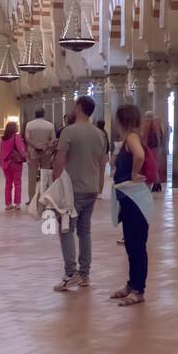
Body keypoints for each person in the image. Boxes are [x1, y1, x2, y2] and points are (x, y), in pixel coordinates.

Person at [51, 96, 108, 291]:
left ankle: (70, 273)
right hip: (91, 188)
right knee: (85, 231)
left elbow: (59, 160)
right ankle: (85, 274)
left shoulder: (69, 131)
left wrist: (54, 182)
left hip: (72, 189)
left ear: (79, 108)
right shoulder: (99, 134)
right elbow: (102, 162)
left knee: (66, 228)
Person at [111, 104, 152, 305]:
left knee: (136, 245)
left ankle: (138, 289)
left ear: (122, 120)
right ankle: (132, 283)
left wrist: (134, 173)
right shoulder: (131, 137)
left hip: (136, 200)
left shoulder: (132, 137)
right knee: (131, 243)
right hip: (130, 198)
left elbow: (140, 155)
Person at [24, 107, 56, 206]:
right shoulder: (49, 125)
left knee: (32, 176)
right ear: (44, 114)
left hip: (33, 152)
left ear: (35, 114)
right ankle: (44, 199)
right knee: (45, 175)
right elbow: (53, 140)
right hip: (46, 153)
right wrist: (45, 147)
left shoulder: (29, 125)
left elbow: (27, 138)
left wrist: (35, 146)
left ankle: (31, 199)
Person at [0, 121, 27, 210]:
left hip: (6, 163)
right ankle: (17, 204)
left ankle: (8, 204)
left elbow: (1, 152)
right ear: (14, 128)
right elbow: (21, 150)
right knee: (17, 183)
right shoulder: (16, 137)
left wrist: (2, 163)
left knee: (8, 183)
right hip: (16, 163)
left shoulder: (3, 139)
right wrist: (25, 156)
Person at [143, 112, 165, 194]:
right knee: (155, 164)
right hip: (156, 147)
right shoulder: (158, 123)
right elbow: (160, 136)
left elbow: (144, 135)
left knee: (150, 164)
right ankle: (157, 183)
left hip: (150, 147)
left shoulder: (148, 123)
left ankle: (155, 183)